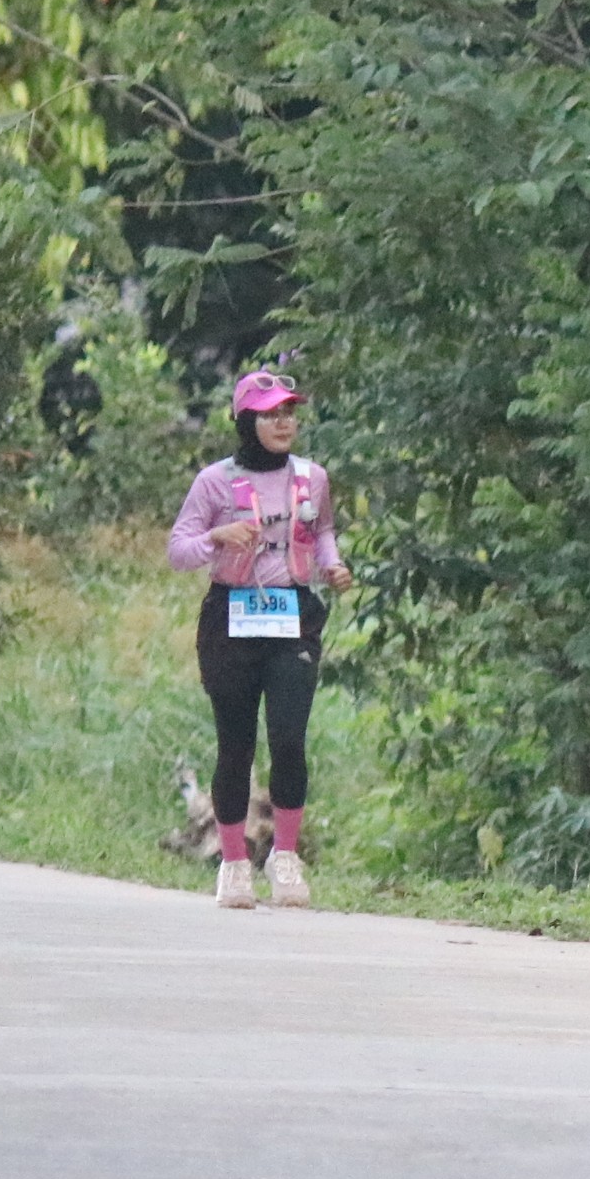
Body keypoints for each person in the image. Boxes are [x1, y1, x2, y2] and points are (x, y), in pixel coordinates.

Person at [167, 369, 353, 910]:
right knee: (236, 743)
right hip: (231, 617)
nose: (284, 423)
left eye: (289, 413)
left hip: (293, 615)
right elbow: (178, 551)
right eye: (271, 415)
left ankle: (285, 855)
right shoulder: (214, 482)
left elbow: (322, 532)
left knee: (290, 738)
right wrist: (216, 536)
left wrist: (332, 566)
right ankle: (233, 863)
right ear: (246, 421)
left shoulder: (312, 478)